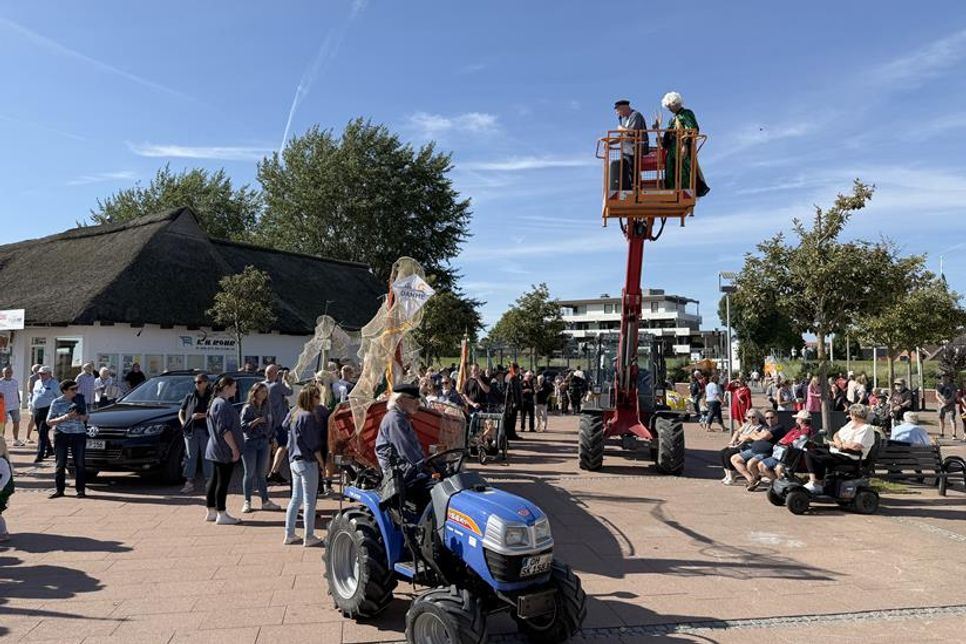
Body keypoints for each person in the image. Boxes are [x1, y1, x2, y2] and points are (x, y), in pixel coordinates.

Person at [283, 385, 328, 547]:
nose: (319, 399)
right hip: (307, 461)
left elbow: (284, 426)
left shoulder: (295, 414)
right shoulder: (308, 416)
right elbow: (314, 444)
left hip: (294, 460)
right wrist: (322, 463)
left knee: (296, 499)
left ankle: (289, 533)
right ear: (310, 398)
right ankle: (308, 536)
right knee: (309, 501)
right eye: (316, 396)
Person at [375, 383, 433, 509]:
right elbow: (408, 453)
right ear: (400, 400)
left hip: (406, 469)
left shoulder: (402, 418)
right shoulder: (395, 420)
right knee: (435, 490)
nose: (418, 403)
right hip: (398, 473)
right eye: (414, 399)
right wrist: (428, 468)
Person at [803, 404, 876, 494]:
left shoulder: (866, 429)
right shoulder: (850, 424)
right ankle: (815, 481)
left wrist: (841, 445)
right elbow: (836, 434)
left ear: (855, 415)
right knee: (810, 452)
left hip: (850, 456)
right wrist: (838, 442)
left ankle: (816, 483)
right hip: (837, 450)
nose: (850, 415)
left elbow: (856, 446)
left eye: (851, 413)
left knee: (819, 458)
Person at [204, 376, 243, 525]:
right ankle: (221, 513)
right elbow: (224, 430)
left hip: (215, 447)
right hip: (223, 449)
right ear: (226, 387)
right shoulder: (222, 404)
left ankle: (211, 510)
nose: (236, 389)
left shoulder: (216, 402)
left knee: (214, 479)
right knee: (222, 481)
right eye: (234, 386)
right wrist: (234, 449)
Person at [656, 91, 709, 196]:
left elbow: (692, 129)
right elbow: (668, 137)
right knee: (670, 172)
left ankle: (684, 192)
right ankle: (672, 193)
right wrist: (660, 136)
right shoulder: (672, 119)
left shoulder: (686, 114)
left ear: (675, 103)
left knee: (683, 171)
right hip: (672, 150)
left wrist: (685, 144)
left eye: (669, 105)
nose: (668, 108)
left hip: (681, 148)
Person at [239, 382, 280, 513]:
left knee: (262, 474)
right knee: (249, 473)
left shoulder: (268, 406)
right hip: (250, 443)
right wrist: (255, 422)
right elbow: (243, 426)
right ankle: (247, 501)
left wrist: (273, 438)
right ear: (255, 393)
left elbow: (273, 423)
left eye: (265, 391)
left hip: (264, 442)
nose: (264, 394)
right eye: (262, 391)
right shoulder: (248, 408)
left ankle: (265, 501)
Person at [46, 379, 89, 498]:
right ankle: (59, 490)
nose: (76, 391)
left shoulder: (80, 399)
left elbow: (87, 416)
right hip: (62, 434)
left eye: (76, 388)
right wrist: (66, 417)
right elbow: (49, 421)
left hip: (78, 434)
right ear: (65, 391)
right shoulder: (56, 402)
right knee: (60, 463)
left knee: (79, 463)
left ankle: (80, 490)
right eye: (73, 389)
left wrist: (80, 417)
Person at [749, 410, 814, 483]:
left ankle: (782, 485)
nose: (796, 420)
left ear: (801, 420)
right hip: (781, 453)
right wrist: (783, 443)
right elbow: (783, 440)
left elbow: (795, 444)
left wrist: (784, 443)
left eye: (797, 418)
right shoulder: (795, 429)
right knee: (761, 465)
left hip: (791, 457)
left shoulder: (806, 431)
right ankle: (777, 483)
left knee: (779, 468)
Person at [731, 410, 787, 488]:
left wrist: (757, 435)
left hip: (766, 452)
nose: (769, 420)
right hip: (753, 450)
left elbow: (765, 436)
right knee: (734, 459)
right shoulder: (764, 426)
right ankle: (752, 480)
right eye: (767, 418)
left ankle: (775, 483)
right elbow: (751, 434)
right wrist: (756, 435)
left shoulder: (778, 427)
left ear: (776, 417)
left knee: (751, 464)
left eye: (772, 417)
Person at [178, 374, 213, 494]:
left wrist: (202, 415)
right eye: (195, 382)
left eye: (199, 382)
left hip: (206, 430)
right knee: (190, 457)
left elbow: (214, 413)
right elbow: (181, 411)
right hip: (190, 430)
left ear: (206, 383)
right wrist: (183, 422)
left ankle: (209, 481)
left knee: (206, 456)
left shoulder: (212, 397)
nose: (197, 384)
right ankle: (189, 482)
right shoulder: (190, 396)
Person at [610, 99, 648, 194]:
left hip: (636, 150)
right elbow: (622, 136)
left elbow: (632, 133)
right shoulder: (626, 120)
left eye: (618, 110)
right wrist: (609, 142)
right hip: (628, 151)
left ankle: (635, 190)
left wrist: (620, 128)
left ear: (624, 108)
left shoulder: (636, 115)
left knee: (633, 171)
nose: (617, 113)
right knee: (626, 170)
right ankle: (630, 189)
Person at [265, 364, 294, 485]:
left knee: (269, 449)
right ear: (275, 373)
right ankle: (274, 471)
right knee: (283, 445)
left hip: (267, 421)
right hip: (279, 423)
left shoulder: (263, 385)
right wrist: (286, 380)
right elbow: (290, 391)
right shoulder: (277, 386)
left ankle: (267, 474)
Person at [719, 409, 765, 485]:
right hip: (740, 445)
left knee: (728, 454)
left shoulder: (760, 427)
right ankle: (727, 475)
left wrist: (742, 437)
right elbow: (738, 432)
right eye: (749, 417)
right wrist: (732, 441)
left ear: (758, 417)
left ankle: (732, 477)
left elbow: (747, 438)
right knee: (722, 452)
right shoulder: (747, 424)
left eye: (753, 417)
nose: (751, 419)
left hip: (748, 447)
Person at [30, 366, 61, 463]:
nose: (41, 375)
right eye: (39, 373)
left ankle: (40, 454)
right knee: (41, 432)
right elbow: (34, 395)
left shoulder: (55, 383)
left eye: (43, 373)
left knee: (43, 431)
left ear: (49, 373)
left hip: (48, 410)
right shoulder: (37, 382)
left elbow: (59, 397)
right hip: (37, 410)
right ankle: (50, 450)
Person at [0, 367, 23, 445]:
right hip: (3, 406)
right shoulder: (0, 382)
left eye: (9, 372)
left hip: (15, 405)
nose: (8, 374)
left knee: (16, 422)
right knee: (2, 424)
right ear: (3, 373)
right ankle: (1, 441)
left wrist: (19, 401)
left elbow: (16, 392)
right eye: (6, 372)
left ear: (12, 373)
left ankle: (15, 440)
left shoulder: (15, 382)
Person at [503, 364, 523, 440]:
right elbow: (512, 390)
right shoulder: (511, 377)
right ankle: (510, 434)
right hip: (511, 402)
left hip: (513, 402)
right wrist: (514, 401)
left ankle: (512, 433)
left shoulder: (513, 377)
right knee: (510, 419)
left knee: (513, 419)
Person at [23, 365, 41, 443]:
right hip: (34, 401)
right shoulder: (32, 378)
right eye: (38, 369)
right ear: (34, 370)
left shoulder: (44, 378)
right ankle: (27, 437)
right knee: (33, 419)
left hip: (42, 402)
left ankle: (42, 437)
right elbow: (30, 390)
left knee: (41, 420)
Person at [936, 374, 957, 438]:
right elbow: (937, 395)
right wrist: (942, 402)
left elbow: (953, 395)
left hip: (950, 404)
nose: (944, 378)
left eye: (945, 377)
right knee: (941, 418)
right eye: (942, 377)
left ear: (948, 378)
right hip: (941, 405)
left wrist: (948, 402)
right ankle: (941, 433)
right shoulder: (938, 385)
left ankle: (954, 434)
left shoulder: (952, 385)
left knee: (952, 419)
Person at [0, 439, 13, 541]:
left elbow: (6, 476)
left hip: (1, 491)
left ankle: (3, 533)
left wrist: (0, 487)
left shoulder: (1, 461)